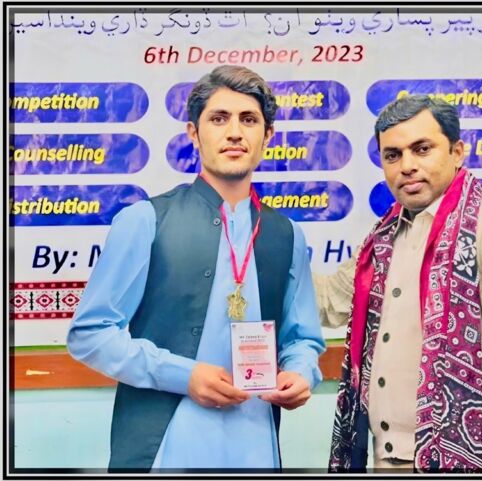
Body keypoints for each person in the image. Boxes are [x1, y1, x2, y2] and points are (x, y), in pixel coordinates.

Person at [67, 65, 325, 472]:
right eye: (219, 119)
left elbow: (302, 338)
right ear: (193, 133)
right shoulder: (145, 220)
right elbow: (90, 334)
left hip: (257, 448)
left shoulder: (286, 235)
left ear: (268, 136)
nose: (235, 132)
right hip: (163, 451)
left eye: (249, 120)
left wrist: (301, 372)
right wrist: (181, 375)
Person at [314, 95, 482, 472]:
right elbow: (331, 301)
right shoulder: (382, 239)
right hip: (385, 461)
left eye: (422, 149)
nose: (407, 166)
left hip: (476, 462)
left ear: (457, 152)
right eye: (393, 155)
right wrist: (267, 250)